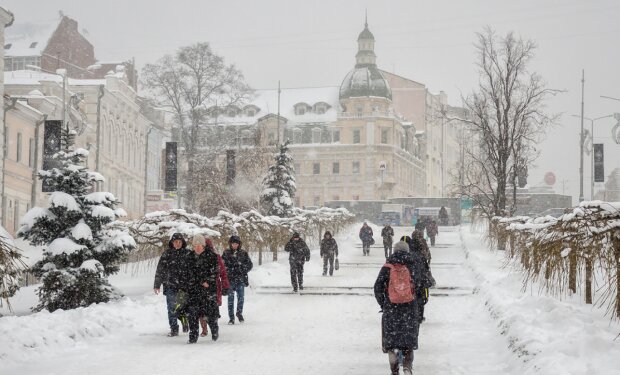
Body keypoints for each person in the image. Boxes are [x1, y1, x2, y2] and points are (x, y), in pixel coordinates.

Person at [374, 240, 418, 375]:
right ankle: (407, 366)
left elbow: (377, 287)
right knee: (408, 341)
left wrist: (384, 303)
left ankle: (394, 369)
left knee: (392, 343)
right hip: (409, 309)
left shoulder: (387, 266)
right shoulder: (413, 265)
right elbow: (422, 284)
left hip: (391, 310)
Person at [153, 232, 192, 337]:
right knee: (171, 308)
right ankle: (174, 328)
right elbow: (160, 270)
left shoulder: (188, 254)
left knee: (182, 307)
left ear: (182, 243)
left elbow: (193, 270)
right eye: (176, 242)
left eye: (179, 242)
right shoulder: (167, 254)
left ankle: (184, 320)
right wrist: (157, 284)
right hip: (170, 285)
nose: (178, 244)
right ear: (172, 243)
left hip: (184, 286)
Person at [186, 234, 219, 344]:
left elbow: (215, 272)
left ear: (203, 245)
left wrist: (208, 281)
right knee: (193, 314)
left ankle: (214, 330)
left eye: (199, 245)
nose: (197, 247)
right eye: (195, 245)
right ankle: (193, 336)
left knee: (209, 314)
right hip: (194, 290)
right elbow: (187, 273)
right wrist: (191, 282)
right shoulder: (189, 257)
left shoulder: (211, 256)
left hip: (208, 291)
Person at [198, 237, 229, 340]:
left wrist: (225, 286)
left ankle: (212, 328)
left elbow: (222, 272)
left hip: (213, 287)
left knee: (211, 309)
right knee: (203, 309)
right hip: (202, 287)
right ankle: (207, 328)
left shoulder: (215, 257)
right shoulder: (196, 256)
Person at [222, 235, 253, 325]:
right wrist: (228, 269)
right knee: (230, 299)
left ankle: (239, 313)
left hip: (240, 279)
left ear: (239, 244)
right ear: (230, 244)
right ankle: (231, 318)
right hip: (230, 279)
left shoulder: (243, 253)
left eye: (236, 244)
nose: (235, 245)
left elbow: (250, 265)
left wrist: (243, 269)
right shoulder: (226, 253)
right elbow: (222, 265)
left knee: (241, 298)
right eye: (233, 244)